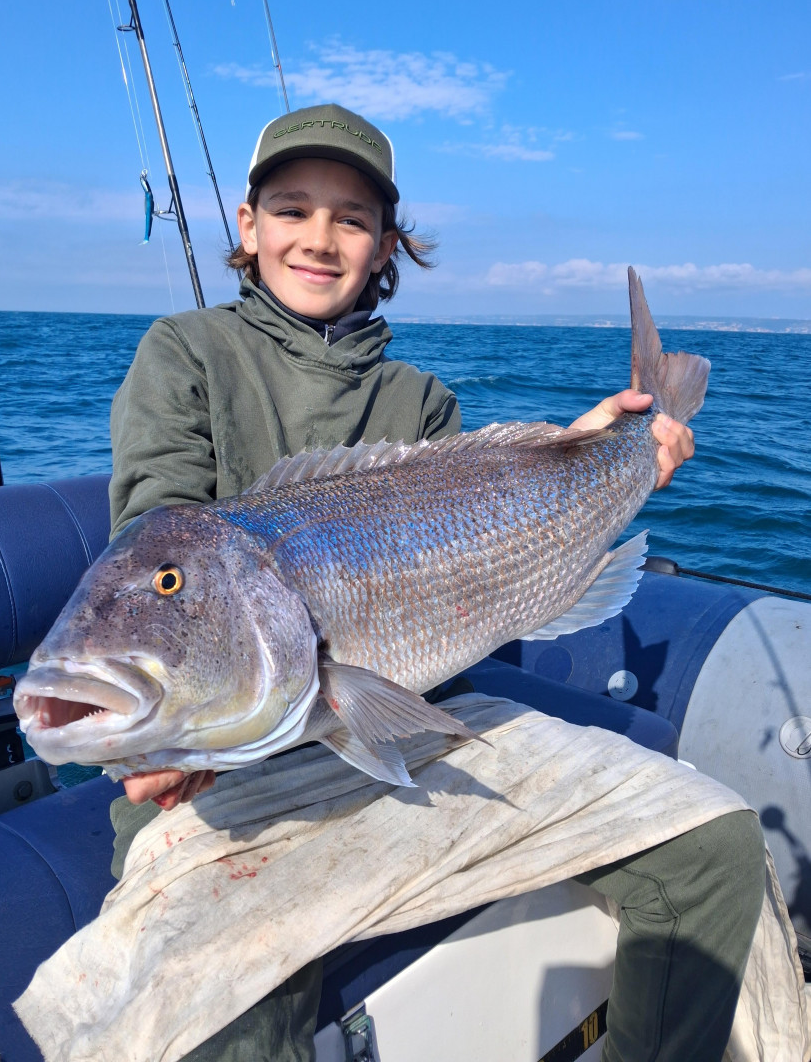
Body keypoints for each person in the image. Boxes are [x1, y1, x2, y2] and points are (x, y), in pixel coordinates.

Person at [107, 103, 765, 1062]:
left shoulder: (421, 401)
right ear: (247, 229)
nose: (320, 239)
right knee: (223, 990)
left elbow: (473, 526)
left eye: (353, 219)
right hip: (228, 747)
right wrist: (170, 730)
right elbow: (154, 547)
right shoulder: (184, 355)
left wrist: (595, 451)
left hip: (397, 722)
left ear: (386, 249)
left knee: (716, 848)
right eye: (292, 209)